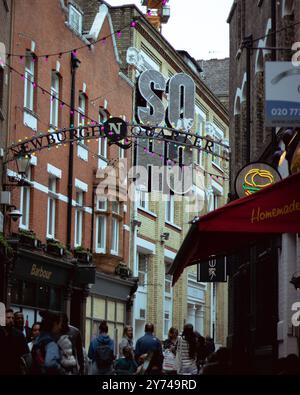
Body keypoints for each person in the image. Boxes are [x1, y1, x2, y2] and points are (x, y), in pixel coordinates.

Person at [31, 310, 63, 375]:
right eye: (59, 324)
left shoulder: (39, 339)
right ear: (54, 324)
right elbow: (50, 363)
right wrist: (61, 369)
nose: (60, 327)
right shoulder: (50, 343)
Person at [0, 308, 29, 375]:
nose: (11, 320)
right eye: (8, 317)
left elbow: (26, 355)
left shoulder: (19, 334)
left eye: (13, 318)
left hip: (15, 369)